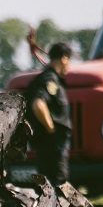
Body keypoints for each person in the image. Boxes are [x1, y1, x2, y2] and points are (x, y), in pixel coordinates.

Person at [24, 39, 73, 186]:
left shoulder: (49, 79)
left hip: (49, 146)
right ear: (64, 58)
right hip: (52, 147)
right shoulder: (50, 80)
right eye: (69, 60)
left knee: (48, 187)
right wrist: (51, 129)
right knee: (58, 185)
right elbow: (38, 104)